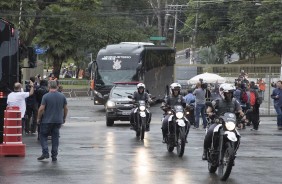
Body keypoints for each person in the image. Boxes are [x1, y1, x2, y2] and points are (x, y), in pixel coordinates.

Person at [202, 83, 245, 160]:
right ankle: (205, 151)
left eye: (230, 93)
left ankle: (232, 153)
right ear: (223, 93)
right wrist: (210, 113)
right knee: (210, 132)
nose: (229, 95)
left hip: (230, 124)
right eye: (227, 93)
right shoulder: (217, 101)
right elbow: (209, 109)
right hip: (218, 123)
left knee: (238, 136)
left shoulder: (235, 101)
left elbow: (240, 110)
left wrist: (243, 115)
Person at [37, 80, 68, 161]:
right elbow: (66, 108)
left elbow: (41, 109)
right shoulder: (62, 96)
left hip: (47, 120)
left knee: (43, 136)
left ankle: (45, 152)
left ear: (49, 87)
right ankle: (54, 155)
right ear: (57, 87)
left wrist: (38, 118)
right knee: (55, 138)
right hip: (58, 120)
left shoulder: (46, 96)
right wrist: (64, 117)